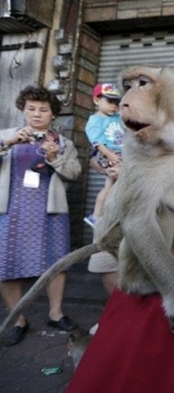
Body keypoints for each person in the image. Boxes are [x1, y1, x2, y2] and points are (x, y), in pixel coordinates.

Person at [0, 85, 82, 346]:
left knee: (55, 263)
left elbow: (74, 173)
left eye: (43, 110)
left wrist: (55, 157)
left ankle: (56, 313)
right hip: (11, 210)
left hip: (50, 211)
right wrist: (8, 143)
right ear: (23, 110)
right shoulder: (6, 135)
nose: (37, 114)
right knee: (7, 264)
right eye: (31, 109)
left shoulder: (63, 142)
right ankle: (17, 318)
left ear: (52, 114)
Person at [84, 83, 125, 227]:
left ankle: (108, 216)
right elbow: (97, 141)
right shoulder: (95, 120)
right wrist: (109, 155)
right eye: (109, 102)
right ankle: (96, 215)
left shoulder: (116, 117)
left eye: (116, 103)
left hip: (119, 153)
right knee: (109, 186)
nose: (113, 106)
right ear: (96, 100)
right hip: (108, 153)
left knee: (114, 186)